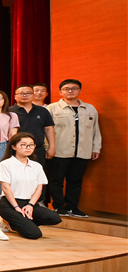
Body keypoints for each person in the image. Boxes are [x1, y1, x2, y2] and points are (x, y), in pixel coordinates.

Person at [47, 79, 102, 217]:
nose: (70, 91)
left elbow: (96, 130)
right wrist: (48, 148)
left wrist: (96, 147)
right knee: (56, 180)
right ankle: (59, 207)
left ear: (80, 91)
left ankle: (72, 207)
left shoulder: (90, 109)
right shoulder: (52, 108)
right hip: (59, 150)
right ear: (60, 92)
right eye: (66, 88)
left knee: (75, 180)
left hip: (82, 151)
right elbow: (46, 130)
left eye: (74, 88)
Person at [0, 133, 62, 239]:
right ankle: (9, 221)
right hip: (10, 204)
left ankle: (18, 223)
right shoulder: (6, 164)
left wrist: (30, 205)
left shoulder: (37, 166)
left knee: (55, 218)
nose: (28, 147)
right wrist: (16, 207)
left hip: (29, 203)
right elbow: (5, 187)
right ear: (14, 146)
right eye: (23, 144)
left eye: (31, 145)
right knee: (35, 234)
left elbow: (39, 188)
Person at [10, 84, 56, 165]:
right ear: (15, 97)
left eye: (28, 93)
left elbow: (49, 129)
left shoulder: (42, 111)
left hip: (37, 149)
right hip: (16, 150)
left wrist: (52, 147)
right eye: (21, 93)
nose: (24, 95)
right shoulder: (9, 111)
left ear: (33, 95)